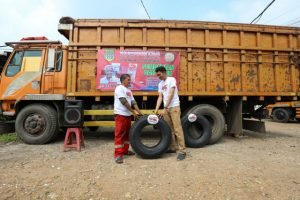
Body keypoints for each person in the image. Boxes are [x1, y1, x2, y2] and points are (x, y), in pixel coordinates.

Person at [154, 66, 186, 161]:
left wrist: (165, 108)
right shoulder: (160, 84)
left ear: (164, 72)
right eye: (157, 75)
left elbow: (171, 94)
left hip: (174, 107)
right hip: (166, 108)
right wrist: (156, 109)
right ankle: (172, 148)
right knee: (169, 129)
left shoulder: (171, 79)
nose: (158, 76)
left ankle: (182, 151)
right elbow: (160, 96)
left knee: (177, 129)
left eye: (159, 74)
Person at [114, 74, 143, 164]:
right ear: (123, 80)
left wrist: (139, 112)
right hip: (120, 114)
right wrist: (133, 112)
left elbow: (133, 102)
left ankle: (125, 151)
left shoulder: (129, 90)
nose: (130, 81)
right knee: (119, 134)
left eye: (130, 79)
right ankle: (118, 155)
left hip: (127, 115)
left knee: (127, 134)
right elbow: (124, 102)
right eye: (128, 80)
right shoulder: (119, 88)